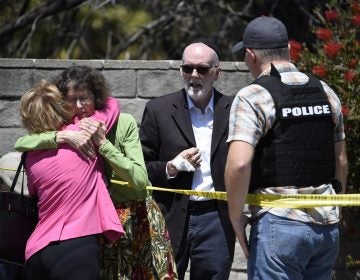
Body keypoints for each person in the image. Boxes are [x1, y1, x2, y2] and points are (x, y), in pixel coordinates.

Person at [15, 65, 177, 280]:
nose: (79, 106)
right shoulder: (67, 130)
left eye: (85, 98)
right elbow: (22, 142)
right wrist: (60, 137)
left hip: (132, 220)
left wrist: (104, 145)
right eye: (71, 100)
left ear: (96, 96)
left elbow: (140, 180)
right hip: (90, 229)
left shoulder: (120, 122)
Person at [225, 16, 348, 280]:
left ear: (250, 55)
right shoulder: (325, 91)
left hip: (279, 224)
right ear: (289, 50)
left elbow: (239, 164)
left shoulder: (252, 96)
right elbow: (341, 161)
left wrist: (236, 217)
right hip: (326, 225)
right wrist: (336, 207)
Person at [139, 41, 235, 279]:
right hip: (170, 213)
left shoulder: (234, 109)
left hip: (216, 217)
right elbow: (141, 165)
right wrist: (171, 167)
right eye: (187, 68)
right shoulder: (158, 109)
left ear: (217, 73)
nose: (194, 75)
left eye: (202, 69)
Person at [16, 79, 124, 280]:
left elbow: (33, 191)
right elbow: (111, 104)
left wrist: (58, 137)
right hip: (75, 248)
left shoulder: (30, 155)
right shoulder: (83, 133)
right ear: (62, 107)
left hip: (36, 251)